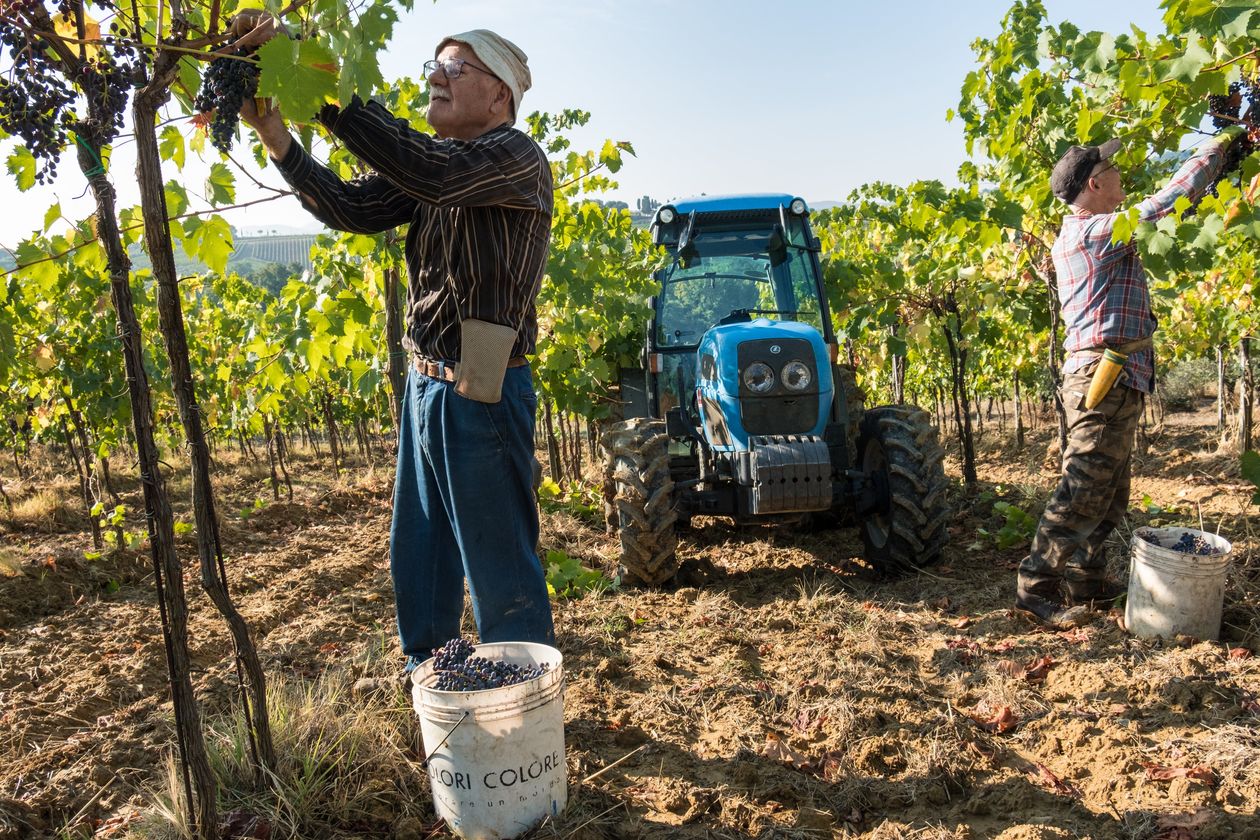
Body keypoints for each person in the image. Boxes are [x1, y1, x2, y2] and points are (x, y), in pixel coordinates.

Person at [239, 26, 556, 668]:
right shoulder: (440, 165)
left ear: (499, 96)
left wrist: (317, 80)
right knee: (420, 556)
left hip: (481, 393)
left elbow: (427, 171)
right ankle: (438, 691)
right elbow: (355, 208)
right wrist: (278, 138)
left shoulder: (512, 158)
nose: (435, 79)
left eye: (455, 69)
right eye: (434, 67)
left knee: (500, 572)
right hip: (425, 387)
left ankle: (523, 729)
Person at [1016, 124, 1247, 628]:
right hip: (1103, 376)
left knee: (1110, 493)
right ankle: (1036, 589)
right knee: (1082, 489)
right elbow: (1163, 205)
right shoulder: (1094, 233)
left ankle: (1088, 582)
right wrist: (1219, 147)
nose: (1122, 173)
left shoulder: (1100, 234)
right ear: (1093, 185)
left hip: (1120, 376)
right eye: (1112, 168)